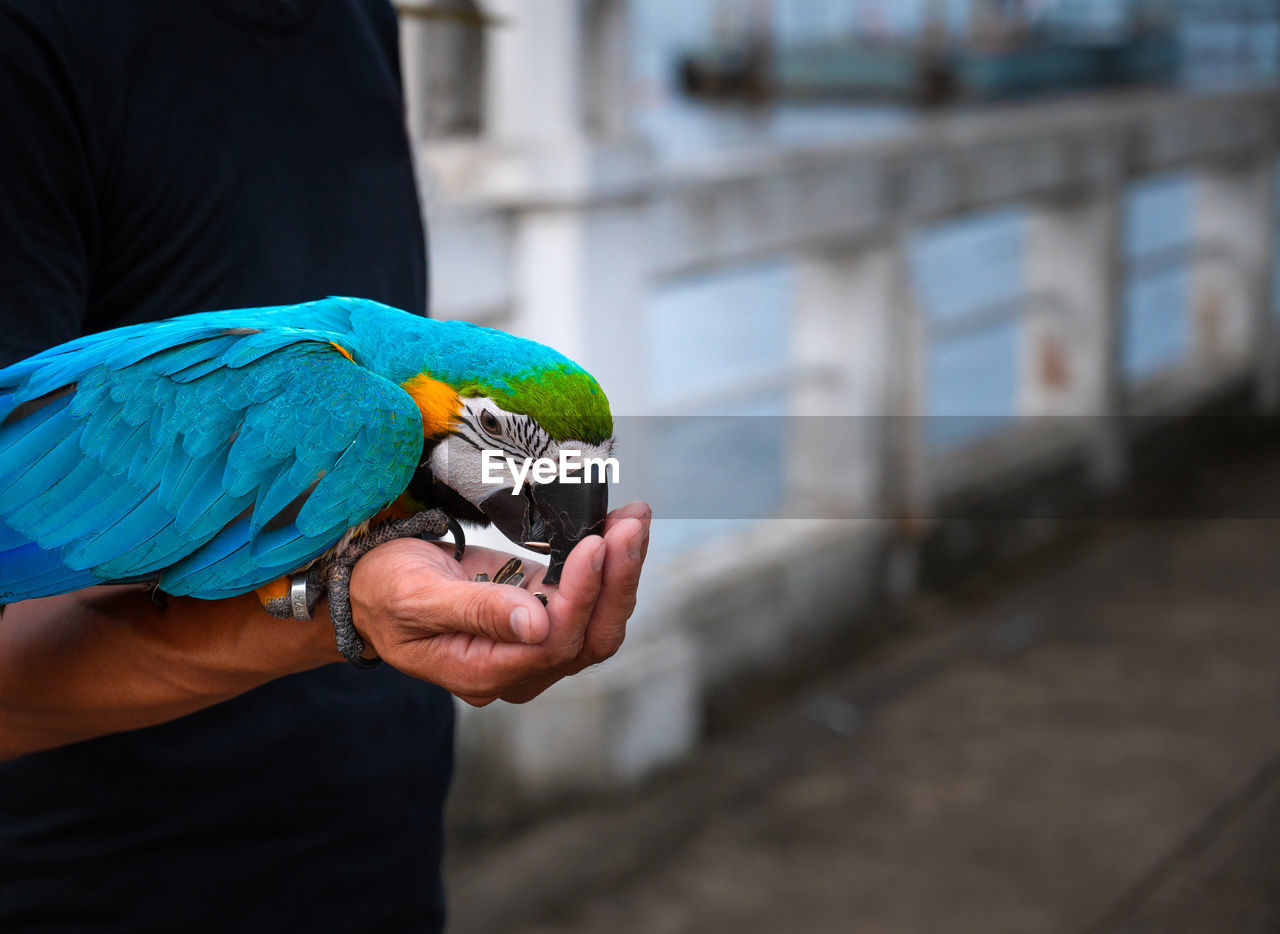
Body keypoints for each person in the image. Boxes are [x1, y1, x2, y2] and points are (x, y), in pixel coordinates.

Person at [0, 1, 650, 931]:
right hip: (113, 889)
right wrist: (348, 610)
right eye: (512, 451)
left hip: (379, 860)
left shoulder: (357, 17)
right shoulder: (35, 39)